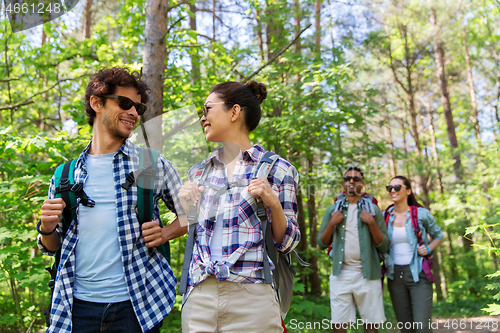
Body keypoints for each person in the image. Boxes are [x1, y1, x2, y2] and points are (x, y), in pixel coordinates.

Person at [37, 67, 186, 333]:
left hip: (136, 307)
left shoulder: (151, 164)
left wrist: (165, 233)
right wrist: (46, 228)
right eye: (125, 103)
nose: (133, 113)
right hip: (75, 308)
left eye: (138, 108)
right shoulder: (64, 175)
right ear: (96, 103)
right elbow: (52, 246)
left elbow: (194, 214)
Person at [178, 80, 300, 333]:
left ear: (234, 112)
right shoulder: (199, 171)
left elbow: (287, 243)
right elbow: (195, 232)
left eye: (207, 109)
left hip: (253, 297)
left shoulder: (278, 169)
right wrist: (185, 205)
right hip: (200, 297)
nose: (202, 117)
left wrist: (273, 204)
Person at [317, 167, 389, 333]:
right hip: (340, 274)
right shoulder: (333, 210)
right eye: (347, 178)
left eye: (356, 179)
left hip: (368, 274)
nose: (351, 181)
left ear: (362, 184)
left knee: (371, 325)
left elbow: (384, 245)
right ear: (343, 183)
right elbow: (321, 243)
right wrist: (332, 223)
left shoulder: (373, 210)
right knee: (339, 325)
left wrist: (371, 223)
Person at [384, 176, 444, 333]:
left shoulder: (421, 214)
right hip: (394, 276)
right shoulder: (385, 216)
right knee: (406, 328)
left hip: (418, 274)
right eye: (389, 188)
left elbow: (439, 236)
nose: (392, 191)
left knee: (422, 327)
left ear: (408, 191)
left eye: (397, 187)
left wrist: (429, 249)